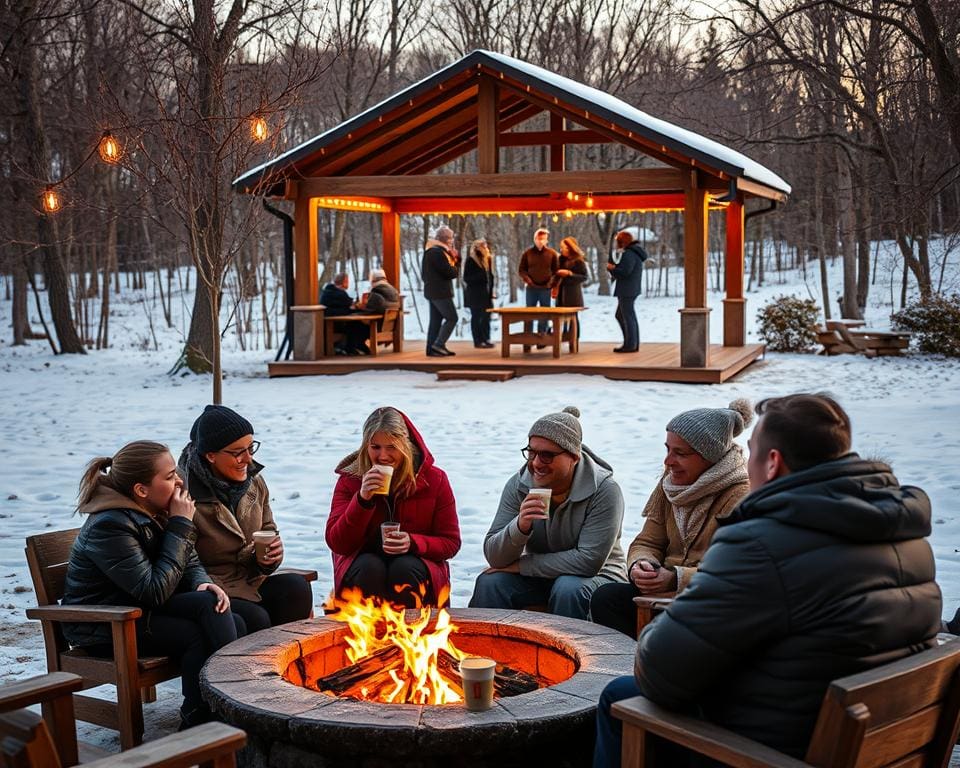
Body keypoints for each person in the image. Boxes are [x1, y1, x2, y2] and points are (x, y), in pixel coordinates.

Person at [594, 393, 941, 768]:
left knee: (619, 698)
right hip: (884, 741)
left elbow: (659, 674)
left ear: (772, 462)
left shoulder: (761, 541)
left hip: (772, 751)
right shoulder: (908, 536)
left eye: (752, 452)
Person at [61, 440, 239, 730]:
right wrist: (181, 526)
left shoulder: (155, 509)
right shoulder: (111, 524)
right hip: (106, 624)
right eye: (169, 477)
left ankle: (207, 712)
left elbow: (190, 563)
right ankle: (206, 716)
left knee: (233, 616)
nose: (179, 481)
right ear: (141, 490)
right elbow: (153, 590)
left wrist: (202, 582)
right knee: (202, 629)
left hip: (139, 607)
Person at [589, 400, 752, 638]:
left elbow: (735, 570)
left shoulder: (739, 496)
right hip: (662, 596)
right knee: (606, 598)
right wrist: (642, 566)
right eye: (668, 449)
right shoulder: (671, 485)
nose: (668, 461)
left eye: (680, 453)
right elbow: (647, 541)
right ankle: (629, 664)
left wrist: (676, 578)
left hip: (708, 601)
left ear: (709, 457)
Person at [468, 406, 626, 620]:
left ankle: (569, 653)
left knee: (568, 588)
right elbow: (495, 557)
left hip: (599, 577)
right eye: (531, 452)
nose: (535, 463)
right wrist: (520, 526)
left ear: (574, 457)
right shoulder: (519, 485)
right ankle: (484, 651)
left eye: (547, 456)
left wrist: (522, 565)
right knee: (490, 582)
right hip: (541, 576)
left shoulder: (604, 490)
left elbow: (588, 561)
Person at [182, 405, 313, 635]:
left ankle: (291, 663)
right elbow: (183, 560)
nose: (248, 459)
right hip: (210, 588)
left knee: (296, 588)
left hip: (250, 580)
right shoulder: (184, 493)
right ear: (210, 455)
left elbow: (269, 528)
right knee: (256, 618)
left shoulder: (254, 482)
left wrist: (270, 557)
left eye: (250, 448)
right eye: (237, 452)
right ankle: (255, 669)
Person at [327, 406, 461, 608]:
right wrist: (362, 500)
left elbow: (450, 543)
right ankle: (365, 635)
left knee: (405, 567)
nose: (383, 456)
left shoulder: (434, 480)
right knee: (369, 566)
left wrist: (413, 542)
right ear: (365, 447)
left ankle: (414, 635)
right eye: (375, 447)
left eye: (392, 447)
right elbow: (338, 543)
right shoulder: (350, 480)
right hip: (363, 570)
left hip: (414, 568)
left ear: (406, 445)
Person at [422, 226, 461, 357]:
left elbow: (424, 275)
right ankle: (438, 344)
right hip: (440, 293)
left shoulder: (430, 251)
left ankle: (431, 349)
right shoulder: (438, 253)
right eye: (450, 239)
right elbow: (450, 272)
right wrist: (456, 262)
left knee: (435, 321)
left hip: (432, 292)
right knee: (452, 318)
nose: (452, 241)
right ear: (445, 239)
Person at [607, 230, 648, 353]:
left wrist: (612, 269)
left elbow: (625, 272)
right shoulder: (634, 253)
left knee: (627, 316)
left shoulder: (629, 254)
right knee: (623, 315)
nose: (616, 245)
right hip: (631, 289)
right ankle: (632, 343)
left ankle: (630, 344)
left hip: (627, 290)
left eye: (617, 242)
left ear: (622, 242)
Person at [519, 228, 558, 336]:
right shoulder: (527, 253)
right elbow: (521, 270)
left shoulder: (552, 254)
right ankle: (528, 337)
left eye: (543, 239)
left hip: (546, 288)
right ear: (534, 239)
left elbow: (556, 271)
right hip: (531, 288)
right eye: (539, 238)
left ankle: (542, 336)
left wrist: (552, 282)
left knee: (544, 313)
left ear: (546, 240)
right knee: (529, 313)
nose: (541, 241)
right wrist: (527, 279)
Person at [321, 272, 367, 355]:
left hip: (330, 323)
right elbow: (348, 304)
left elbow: (346, 307)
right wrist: (355, 308)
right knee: (359, 325)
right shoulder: (338, 293)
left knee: (356, 324)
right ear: (344, 281)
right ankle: (352, 347)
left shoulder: (329, 291)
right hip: (334, 324)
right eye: (347, 281)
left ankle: (352, 347)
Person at [552, 236, 588, 339]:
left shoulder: (578, 261)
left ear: (570, 248)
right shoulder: (560, 260)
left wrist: (570, 274)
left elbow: (584, 277)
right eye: (561, 247)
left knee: (573, 318)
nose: (561, 250)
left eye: (563, 247)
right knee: (560, 318)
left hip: (573, 294)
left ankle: (574, 339)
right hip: (561, 293)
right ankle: (558, 338)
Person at [463, 238, 496, 348]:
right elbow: (466, 278)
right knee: (477, 317)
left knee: (486, 317)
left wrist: (491, 290)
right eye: (483, 246)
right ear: (478, 247)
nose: (486, 248)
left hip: (486, 294)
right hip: (475, 295)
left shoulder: (488, 260)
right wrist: (481, 277)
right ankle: (478, 340)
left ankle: (486, 338)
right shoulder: (471, 260)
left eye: (486, 246)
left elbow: (490, 277)